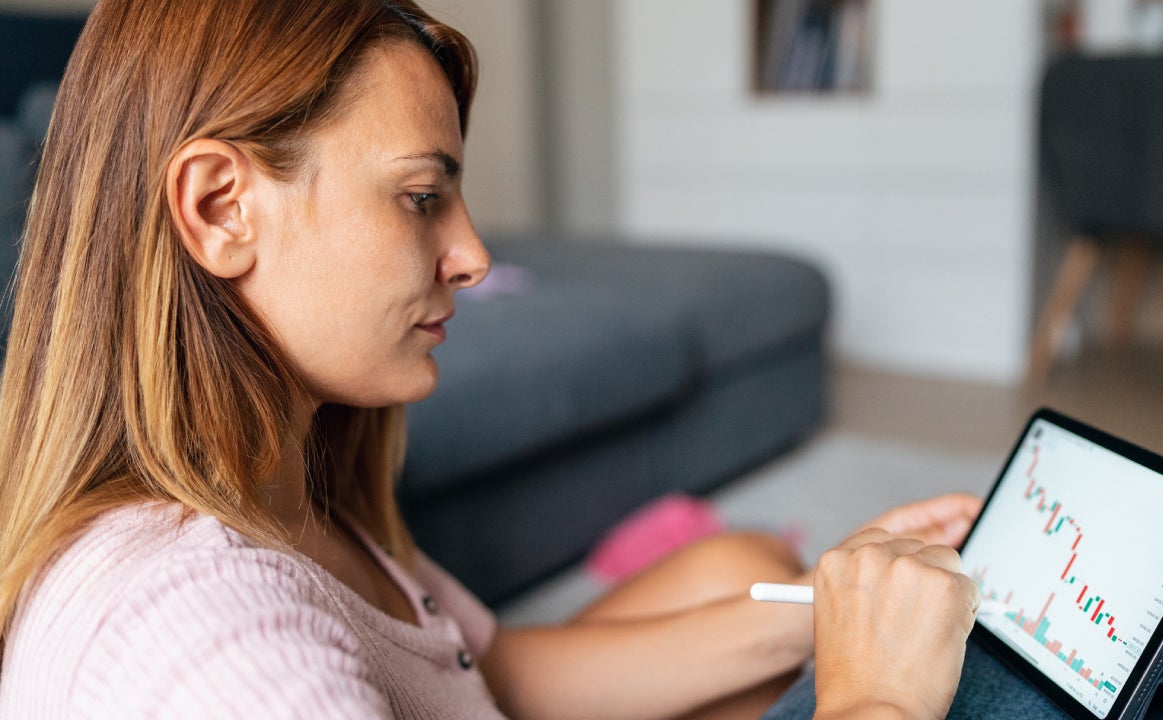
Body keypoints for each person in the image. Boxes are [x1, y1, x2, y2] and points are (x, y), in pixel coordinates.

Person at [0, 1, 982, 718]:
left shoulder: (285, 481)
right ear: (220, 208)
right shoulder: (205, 643)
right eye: (421, 196)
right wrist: (877, 700)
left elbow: (487, 677)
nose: (473, 257)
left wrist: (843, 603)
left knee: (749, 570)